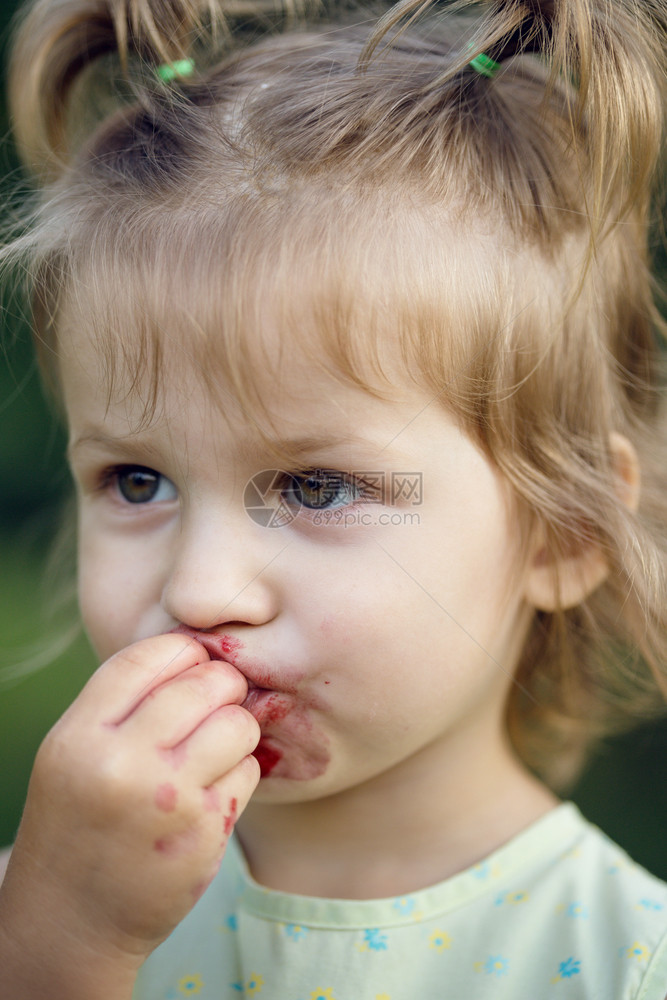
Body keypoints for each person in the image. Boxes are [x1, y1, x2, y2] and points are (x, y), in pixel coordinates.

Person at [1, 0, 667, 996]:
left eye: (316, 486)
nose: (202, 587)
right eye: (138, 480)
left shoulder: (626, 960)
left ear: (560, 532)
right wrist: (61, 947)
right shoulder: (40, 909)